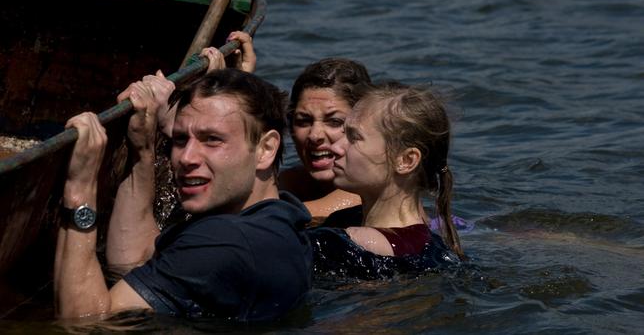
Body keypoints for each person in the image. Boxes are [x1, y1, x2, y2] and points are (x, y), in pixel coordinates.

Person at [55, 68, 312, 321]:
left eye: (212, 139)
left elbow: (88, 323)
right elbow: (136, 260)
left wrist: (81, 188)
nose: (185, 158)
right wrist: (143, 149)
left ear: (265, 149)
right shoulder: (282, 216)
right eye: (179, 139)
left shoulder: (228, 241)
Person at [307, 82, 466, 279]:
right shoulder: (428, 240)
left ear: (406, 160)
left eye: (354, 137)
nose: (336, 147)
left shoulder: (355, 242)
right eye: (343, 133)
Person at [279, 58, 372, 218]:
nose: (315, 135)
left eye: (334, 121)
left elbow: (272, 216)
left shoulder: (366, 191)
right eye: (303, 121)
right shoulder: (293, 181)